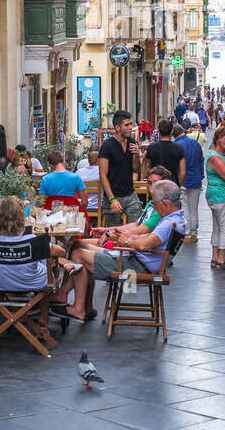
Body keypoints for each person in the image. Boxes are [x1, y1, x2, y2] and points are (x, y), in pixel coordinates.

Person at [69, 180, 186, 312]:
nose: (154, 206)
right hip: (136, 260)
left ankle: (76, 307)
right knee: (81, 248)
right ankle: (85, 307)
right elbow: (147, 238)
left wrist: (125, 241)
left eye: (154, 203)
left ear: (164, 203)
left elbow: (142, 246)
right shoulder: (176, 220)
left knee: (78, 254)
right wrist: (123, 235)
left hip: (136, 266)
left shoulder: (168, 223)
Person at [0, 196, 85, 325]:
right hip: (32, 282)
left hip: (0, 283)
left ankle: (16, 310)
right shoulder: (31, 240)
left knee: (39, 260)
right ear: (21, 218)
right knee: (47, 265)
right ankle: (43, 317)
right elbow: (61, 251)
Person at [98, 110, 142, 222]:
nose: (131, 127)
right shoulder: (107, 146)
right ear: (117, 127)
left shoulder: (132, 142)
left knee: (137, 228)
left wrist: (136, 155)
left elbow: (136, 169)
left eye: (131, 124)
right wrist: (112, 199)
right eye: (127, 125)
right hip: (112, 196)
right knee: (113, 233)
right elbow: (103, 175)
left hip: (130, 194)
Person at [205, 122, 225, 270]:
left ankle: (214, 258)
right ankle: (221, 260)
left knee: (218, 227)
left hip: (216, 196)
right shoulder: (215, 158)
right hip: (219, 196)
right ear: (218, 138)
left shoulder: (223, 155)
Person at [174, 121, 205, 242]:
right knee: (194, 207)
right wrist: (201, 176)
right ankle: (194, 232)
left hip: (182, 179)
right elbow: (200, 162)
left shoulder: (177, 145)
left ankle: (186, 233)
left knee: (185, 207)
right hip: (195, 178)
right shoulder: (195, 144)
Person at [144, 119, 186, 186]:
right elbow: (182, 173)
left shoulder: (151, 147)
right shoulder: (178, 148)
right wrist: (178, 186)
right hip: (172, 184)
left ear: (158, 131)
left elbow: (146, 165)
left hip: (156, 184)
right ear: (172, 131)